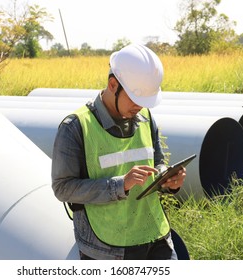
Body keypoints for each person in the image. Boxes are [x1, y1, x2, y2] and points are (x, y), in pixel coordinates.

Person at [51, 44, 186, 260]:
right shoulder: (76, 126)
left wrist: (166, 180)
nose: (140, 108)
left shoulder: (145, 119)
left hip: (155, 236)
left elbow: (158, 162)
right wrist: (120, 185)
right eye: (135, 100)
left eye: (144, 102)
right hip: (107, 248)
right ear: (113, 85)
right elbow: (62, 188)